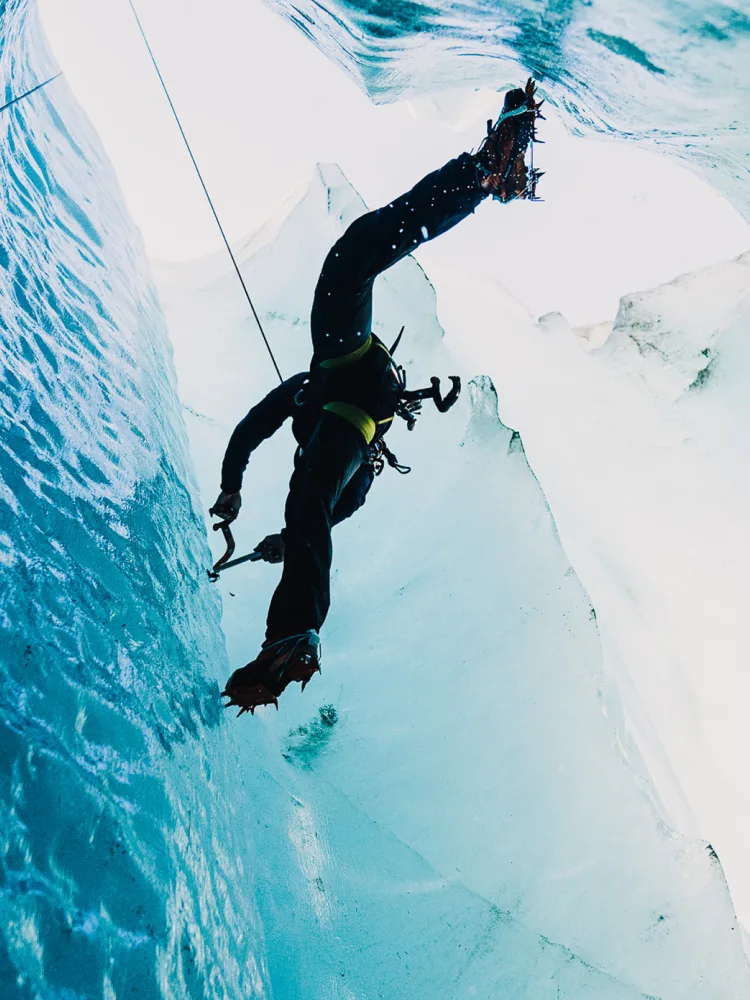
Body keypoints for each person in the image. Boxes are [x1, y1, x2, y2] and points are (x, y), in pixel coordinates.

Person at [213, 79, 543, 715]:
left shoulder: (313, 411)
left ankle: (484, 174)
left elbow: (255, 431)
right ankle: (484, 173)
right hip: (358, 395)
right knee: (350, 259)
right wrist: (282, 524)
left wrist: (234, 488)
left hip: (353, 392)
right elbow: (311, 493)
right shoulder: (334, 452)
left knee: (351, 261)